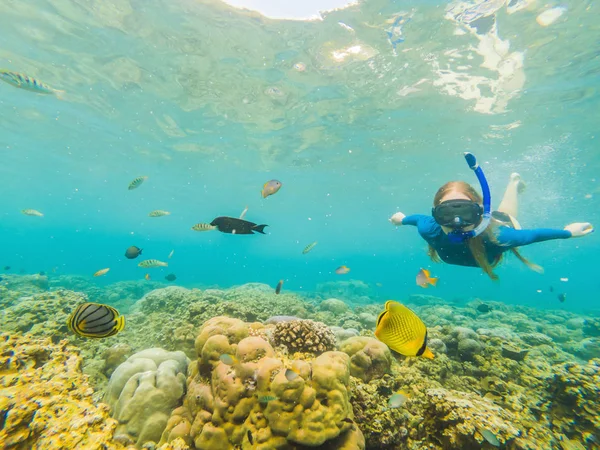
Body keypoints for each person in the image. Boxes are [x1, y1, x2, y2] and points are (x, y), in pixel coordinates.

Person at [390, 154, 594, 280]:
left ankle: (514, 183)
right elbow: (416, 218)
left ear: (479, 212)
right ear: (436, 215)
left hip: (500, 223)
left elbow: (533, 235)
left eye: (466, 213)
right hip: (490, 224)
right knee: (503, 213)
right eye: (447, 214)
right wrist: (401, 219)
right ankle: (513, 183)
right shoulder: (430, 228)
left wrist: (569, 232)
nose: (457, 223)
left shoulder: (499, 236)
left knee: (506, 214)